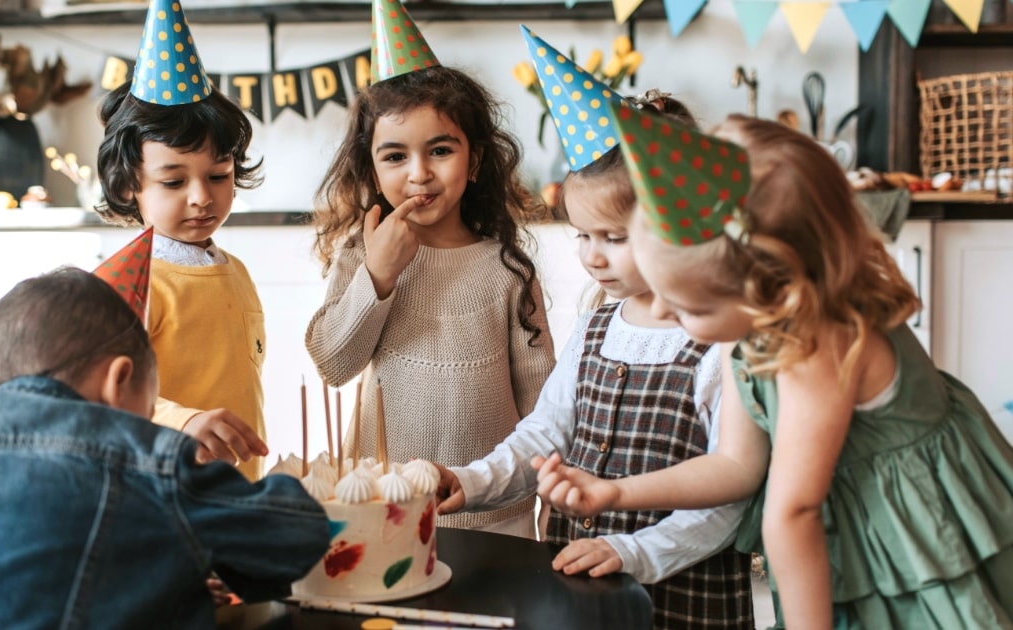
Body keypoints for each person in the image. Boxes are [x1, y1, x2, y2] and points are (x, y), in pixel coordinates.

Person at [534, 109, 1013, 628]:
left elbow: (792, 515)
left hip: (916, 537)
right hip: (856, 528)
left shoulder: (816, 342)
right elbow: (737, 466)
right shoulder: (761, 321)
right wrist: (619, 491)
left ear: (770, 286)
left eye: (689, 306)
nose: (666, 315)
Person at [434, 28, 754, 630]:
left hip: (683, 600)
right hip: (579, 595)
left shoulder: (721, 341)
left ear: (678, 222)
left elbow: (730, 494)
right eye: (581, 234)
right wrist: (472, 481)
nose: (592, 257)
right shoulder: (598, 324)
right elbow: (547, 432)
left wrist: (633, 551)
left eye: (614, 238)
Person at [0, 266, 330, 629]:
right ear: (118, 380)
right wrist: (290, 485)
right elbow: (292, 540)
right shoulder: (142, 457)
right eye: (146, 413)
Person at [305, 0, 555, 538]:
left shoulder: (507, 268)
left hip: (496, 514)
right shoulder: (361, 254)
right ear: (370, 166)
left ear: (477, 159)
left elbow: (542, 399)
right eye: (395, 156)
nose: (419, 174)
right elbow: (334, 364)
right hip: (382, 504)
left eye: (440, 150)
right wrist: (379, 276)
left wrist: (553, 486)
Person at [95, 0, 269, 480]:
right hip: (161, 487)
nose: (201, 198)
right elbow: (101, 396)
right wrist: (182, 420)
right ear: (130, 184)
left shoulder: (236, 271)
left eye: (219, 175)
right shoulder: (129, 280)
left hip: (238, 485)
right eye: (173, 182)